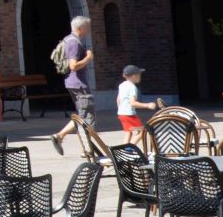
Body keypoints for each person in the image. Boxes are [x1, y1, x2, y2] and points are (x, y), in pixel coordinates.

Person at [49, 15, 109, 159]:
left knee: (82, 115)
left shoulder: (68, 39)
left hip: (73, 83)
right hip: (79, 84)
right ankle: (87, 149)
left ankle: (60, 136)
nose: (89, 29)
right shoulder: (74, 43)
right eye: (87, 27)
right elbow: (73, 66)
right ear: (80, 28)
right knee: (88, 116)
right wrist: (88, 57)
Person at [116, 64, 158, 145]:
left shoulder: (121, 85)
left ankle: (124, 148)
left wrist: (120, 110)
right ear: (134, 76)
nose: (140, 76)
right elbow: (133, 103)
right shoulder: (132, 87)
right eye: (139, 74)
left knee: (129, 131)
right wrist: (148, 105)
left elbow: (118, 99)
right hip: (129, 115)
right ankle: (130, 148)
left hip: (121, 113)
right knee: (142, 131)